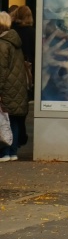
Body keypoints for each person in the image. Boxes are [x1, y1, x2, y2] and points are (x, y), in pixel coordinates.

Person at [0, 11, 29, 160]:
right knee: (13, 120)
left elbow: (1, 70)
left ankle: (4, 152)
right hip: (17, 87)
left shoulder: (2, 44)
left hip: (7, 87)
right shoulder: (15, 42)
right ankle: (12, 152)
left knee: (5, 120)